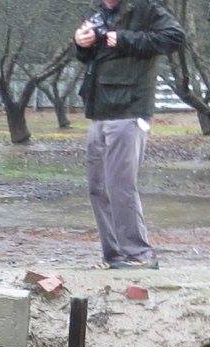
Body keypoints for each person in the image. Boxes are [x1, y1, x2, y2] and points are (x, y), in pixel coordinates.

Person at [74, 0, 184, 270]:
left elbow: (175, 37)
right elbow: (90, 57)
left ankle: (139, 255)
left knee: (120, 185)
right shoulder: (98, 15)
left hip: (130, 109)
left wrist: (122, 38)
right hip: (99, 110)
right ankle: (114, 256)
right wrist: (81, 43)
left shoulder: (145, 9)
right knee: (98, 187)